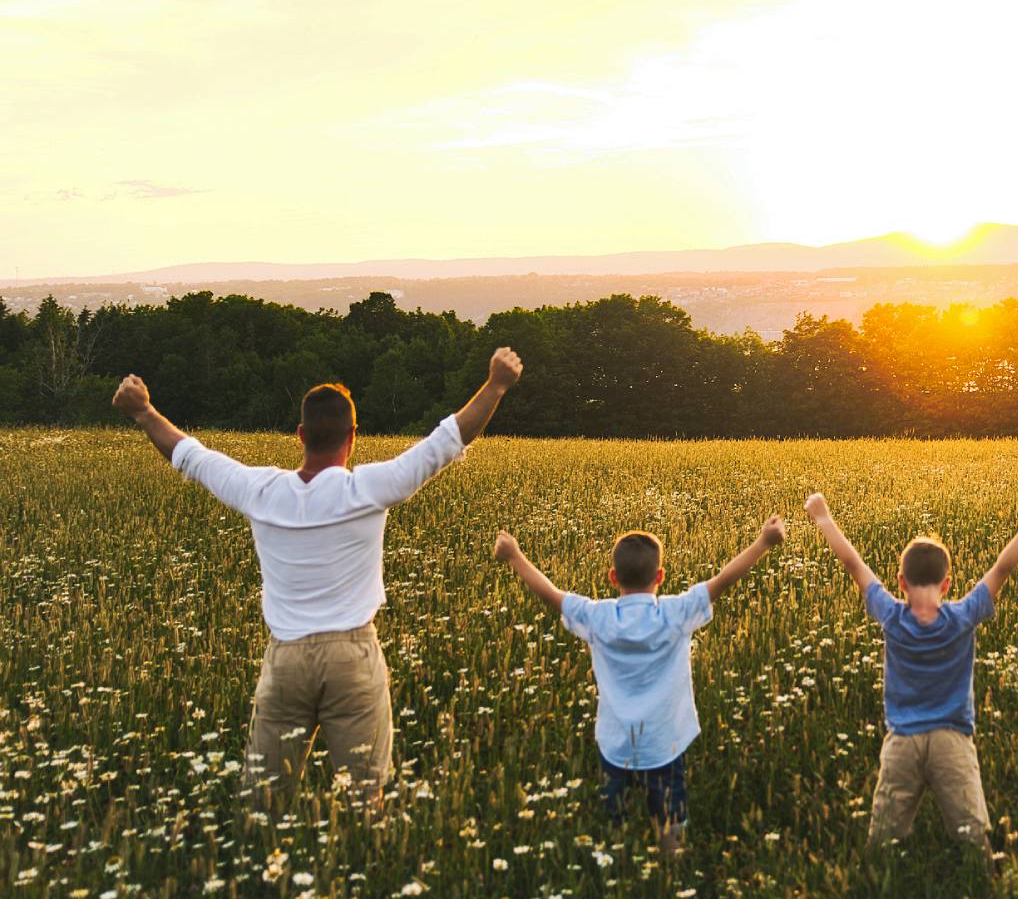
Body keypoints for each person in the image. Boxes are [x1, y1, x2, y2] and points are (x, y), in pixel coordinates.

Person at [110, 346, 524, 803]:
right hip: (353, 655)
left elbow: (190, 455)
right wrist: (496, 385)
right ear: (353, 435)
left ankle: (265, 868)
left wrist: (144, 410)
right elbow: (447, 441)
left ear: (301, 434)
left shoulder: (260, 491)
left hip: (286, 661)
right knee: (365, 798)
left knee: (267, 798)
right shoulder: (366, 488)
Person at [492, 517, 784, 855]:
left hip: (615, 746)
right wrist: (763, 542)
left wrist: (515, 556)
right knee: (670, 817)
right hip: (664, 746)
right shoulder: (675, 614)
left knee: (613, 818)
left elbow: (551, 595)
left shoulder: (597, 617)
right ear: (660, 577)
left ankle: (616, 858)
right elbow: (723, 580)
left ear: (612, 577)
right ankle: (668, 864)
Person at [805, 489, 1018, 858]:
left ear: (901, 583)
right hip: (951, 741)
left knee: (883, 843)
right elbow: (1004, 567)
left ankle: (875, 882)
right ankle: (983, 878)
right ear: (947, 584)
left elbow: (853, 564)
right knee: (973, 840)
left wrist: (823, 517)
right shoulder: (963, 616)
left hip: (902, 743)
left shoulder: (891, 615)